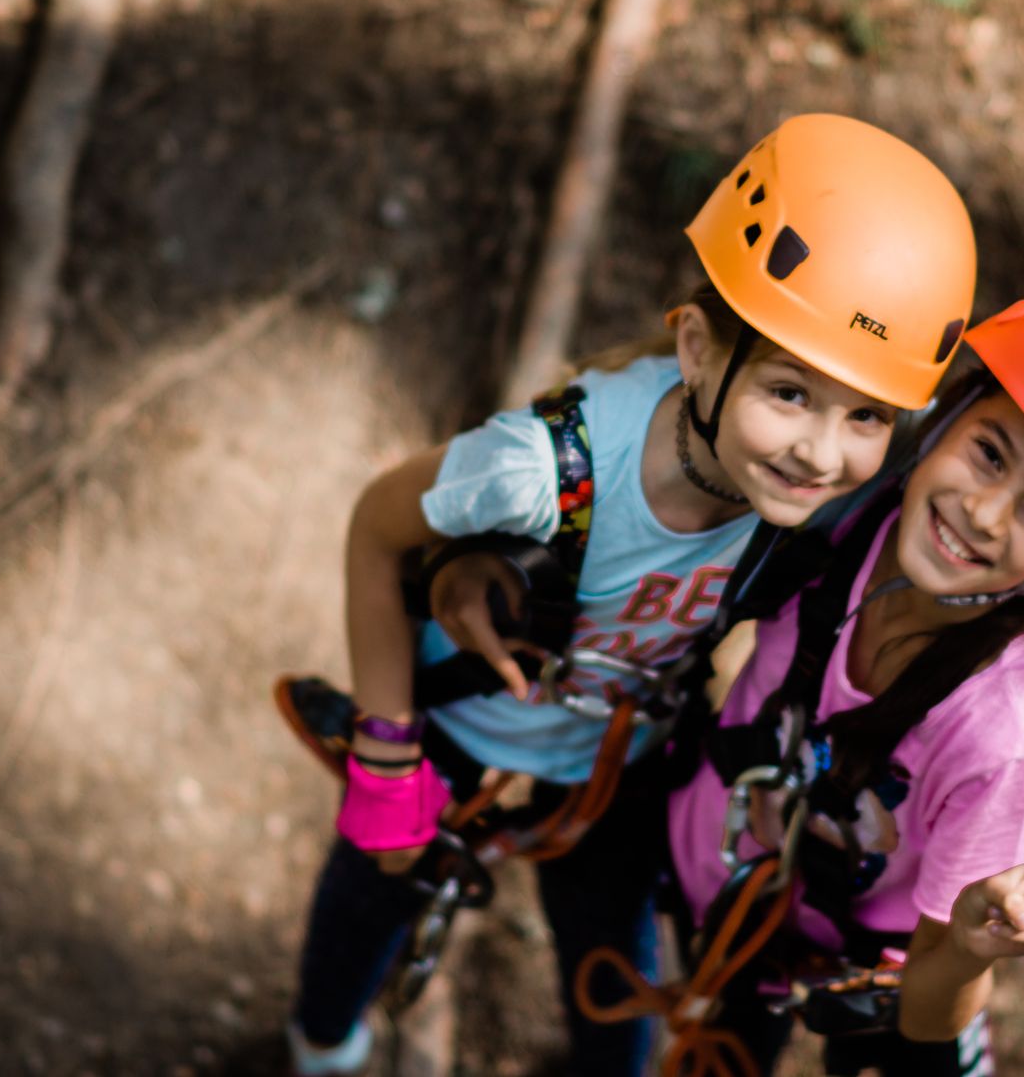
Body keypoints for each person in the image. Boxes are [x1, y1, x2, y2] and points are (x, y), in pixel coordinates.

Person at [283, 112, 986, 1077]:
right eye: (789, 393)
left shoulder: (832, 499)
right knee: (363, 914)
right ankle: (322, 1049)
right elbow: (377, 527)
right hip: (456, 729)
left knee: (612, 980)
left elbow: (1009, 479)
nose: (824, 452)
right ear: (697, 348)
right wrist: (384, 750)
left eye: (867, 414)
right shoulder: (546, 468)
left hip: (619, 766)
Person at [651, 284, 1024, 1075]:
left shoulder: (1009, 746)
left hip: (874, 978)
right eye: (988, 453)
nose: (985, 514)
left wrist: (967, 952)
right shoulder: (846, 491)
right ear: (946, 414)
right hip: (726, 889)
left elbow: (928, 1018)